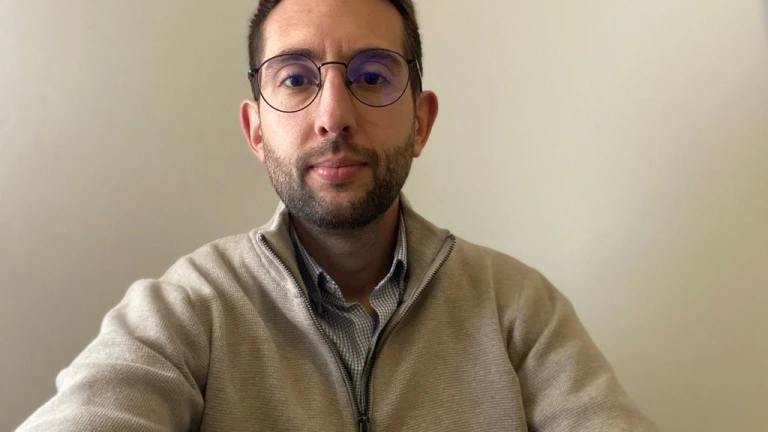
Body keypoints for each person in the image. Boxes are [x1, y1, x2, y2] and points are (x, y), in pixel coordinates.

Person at [16, 0, 658, 431]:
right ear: (256, 129)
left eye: (372, 76)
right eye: (296, 79)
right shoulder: (187, 309)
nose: (334, 116)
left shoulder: (519, 309)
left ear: (421, 122)